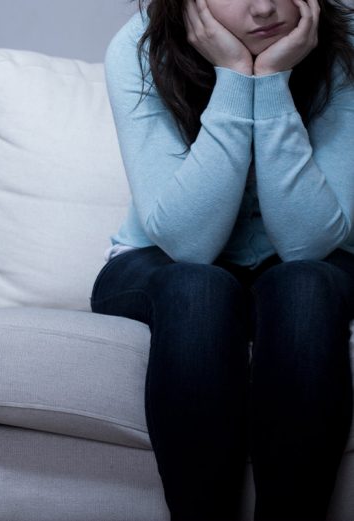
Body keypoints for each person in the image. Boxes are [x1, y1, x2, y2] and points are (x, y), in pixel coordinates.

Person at [90, 0, 354, 519]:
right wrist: (235, 78)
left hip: (312, 261)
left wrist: (272, 80)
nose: (264, 8)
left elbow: (307, 241)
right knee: (198, 286)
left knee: (303, 284)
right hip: (159, 258)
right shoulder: (139, 46)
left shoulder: (342, 45)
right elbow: (188, 243)